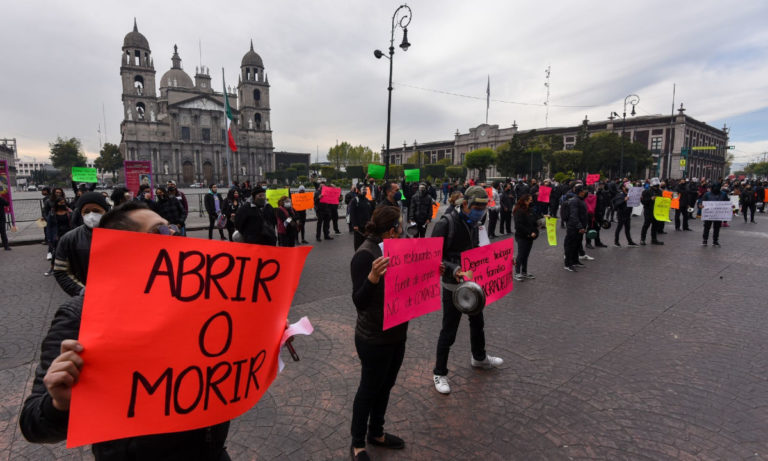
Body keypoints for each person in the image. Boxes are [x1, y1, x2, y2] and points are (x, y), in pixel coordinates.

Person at [20, 201, 235, 459]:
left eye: (172, 228)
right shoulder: (81, 315)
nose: (174, 234)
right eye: (160, 230)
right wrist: (60, 404)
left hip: (210, 452)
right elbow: (32, 425)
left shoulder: (196, 301)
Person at [349, 206, 410, 461]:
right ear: (392, 230)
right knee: (369, 389)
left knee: (386, 386)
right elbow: (360, 301)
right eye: (401, 226)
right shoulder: (365, 255)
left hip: (397, 332)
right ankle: (357, 443)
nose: (404, 230)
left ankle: (376, 432)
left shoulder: (400, 248)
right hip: (374, 337)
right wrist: (373, 277)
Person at [431, 186, 503, 395]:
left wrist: (503, 262)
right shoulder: (446, 223)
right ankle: (439, 372)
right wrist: (454, 269)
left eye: (483, 208)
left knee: (478, 323)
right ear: (464, 204)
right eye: (477, 208)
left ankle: (479, 357)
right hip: (453, 286)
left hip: (472, 285)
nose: (480, 212)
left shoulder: (475, 224)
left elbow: (479, 252)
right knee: (449, 330)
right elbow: (434, 257)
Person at [52, 192, 109, 296]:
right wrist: (81, 291)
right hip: (87, 298)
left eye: (96, 211)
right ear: (81, 213)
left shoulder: (122, 235)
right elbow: (61, 271)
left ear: (105, 211)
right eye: (86, 211)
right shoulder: (69, 239)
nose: (91, 215)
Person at [45, 197, 74, 276]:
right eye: (60, 203)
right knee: (56, 252)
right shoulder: (52, 213)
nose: (62, 204)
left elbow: (73, 223)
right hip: (57, 234)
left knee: (70, 252)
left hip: (68, 234)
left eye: (64, 202)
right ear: (57, 203)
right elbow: (49, 226)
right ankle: (52, 268)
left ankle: (71, 269)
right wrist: (49, 237)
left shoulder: (69, 212)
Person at [513, 194, 538, 281]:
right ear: (525, 201)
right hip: (522, 236)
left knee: (526, 254)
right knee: (521, 254)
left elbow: (534, 220)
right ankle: (517, 272)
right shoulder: (519, 211)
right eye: (530, 200)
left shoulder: (529, 210)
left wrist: (543, 218)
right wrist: (529, 232)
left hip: (530, 236)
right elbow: (518, 225)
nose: (531, 202)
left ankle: (524, 272)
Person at [563, 185, 588, 272]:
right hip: (573, 228)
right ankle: (568, 264)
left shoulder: (580, 200)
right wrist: (580, 226)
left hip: (579, 227)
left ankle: (575, 261)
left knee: (577, 245)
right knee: (570, 246)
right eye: (584, 190)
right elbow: (574, 215)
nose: (585, 192)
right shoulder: (575, 201)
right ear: (580, 192)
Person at [613, 182, 638, 247]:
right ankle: (616, 242)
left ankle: (630, 242)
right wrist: (624, 200)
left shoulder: (630, 194)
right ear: (623, 188)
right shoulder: (620, 194)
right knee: (619, 228)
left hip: (627, 214)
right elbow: (616, 204)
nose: (628, 189)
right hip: (621, 214)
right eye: (627, 187)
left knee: (627, 228)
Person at [640, 178, 664, 245]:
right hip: (648, 211)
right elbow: (643, 202)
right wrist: (650, 199)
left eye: (657, 185)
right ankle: (642, 239)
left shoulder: (660, 191)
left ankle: (654, 239)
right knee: (646, 225)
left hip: (656, 211)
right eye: (655, 186)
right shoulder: (646, 191)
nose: (656, 187)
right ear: (652, 185)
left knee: (655, 225)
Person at [349, 185, 374, 251]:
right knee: (358, 243)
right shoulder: (355, 200)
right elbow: (352, 213)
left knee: (366, 243)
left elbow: (370, 212)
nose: (365, 191)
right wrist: (354, 225)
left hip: (367, 226)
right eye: (363, 190)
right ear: (358, 191)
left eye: (366, 190)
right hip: (358, 227)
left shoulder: (367, 200)